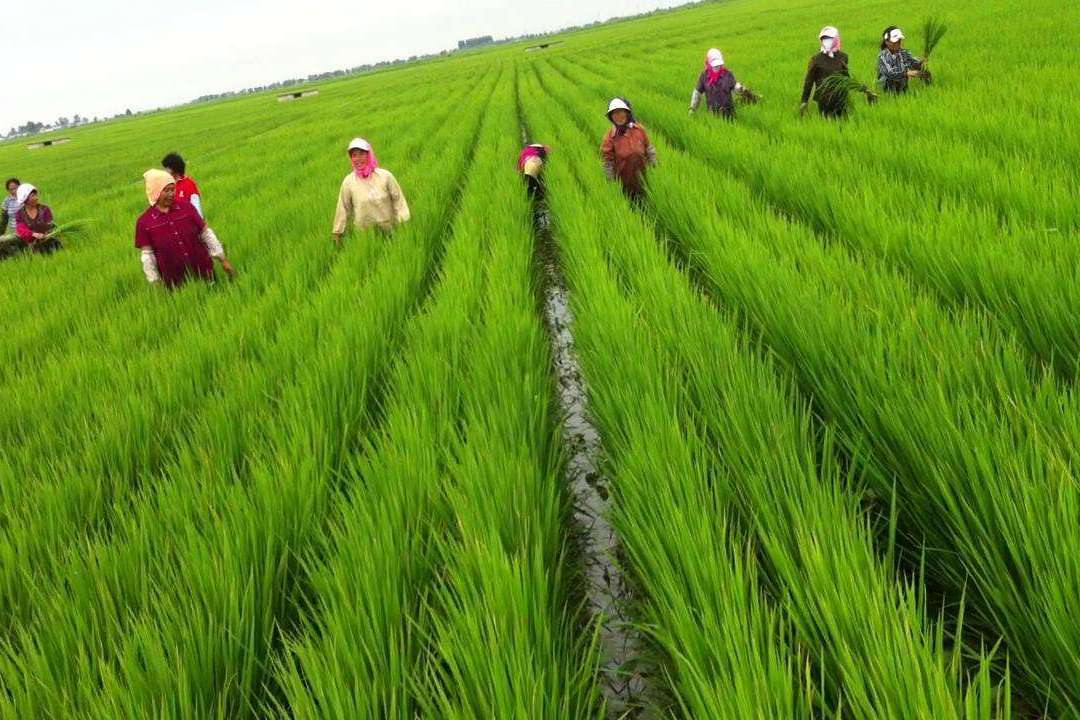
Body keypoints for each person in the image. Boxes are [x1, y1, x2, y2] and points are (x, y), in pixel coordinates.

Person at [136, 169, 235, 287]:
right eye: (166, 191)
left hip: (204, 272)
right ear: (155, 192)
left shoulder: (187, 208)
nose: (171, 194)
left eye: (173, 190)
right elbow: (148, 256)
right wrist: (155, 281)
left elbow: (206, 234)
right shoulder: (145, 222)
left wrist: (222, 259)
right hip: (175, 282)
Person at [332, 137, 410, 245]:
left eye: (361, 154)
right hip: (365, 237)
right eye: (354, 155)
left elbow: (398, 200)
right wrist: (337, 232)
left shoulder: (385, 176)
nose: (358, 159)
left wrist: (404, 223)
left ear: (369, 155)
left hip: (389, 232)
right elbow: (343, 208)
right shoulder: (348, 182)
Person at [600, 98, 657, 200]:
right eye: (615, 114)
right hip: (624, 184)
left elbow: (649, 149)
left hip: (643, 180)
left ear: (627, 113)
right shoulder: (609, 138)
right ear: (611, 117)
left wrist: (654, 165)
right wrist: (611, 183)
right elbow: (608, 162)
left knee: (646, 203)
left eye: (621, 112)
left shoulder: (639, 130)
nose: (618, 116)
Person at [800, 26, 852, 118]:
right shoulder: (816, 59)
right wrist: (804, 101)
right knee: (828, 125)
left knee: (844, 124)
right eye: (824, 39)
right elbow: (809, 81)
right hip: (824, 99)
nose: (826, 42)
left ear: (836, 39)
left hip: (840, 98)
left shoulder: (843, 57)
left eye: (829, 39)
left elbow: (846, 77)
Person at [690, 49, 759, 118]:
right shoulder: (704, 76)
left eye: (719, 65)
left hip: (729, 113)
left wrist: (741, 89)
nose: (718, 67)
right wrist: (692, 109)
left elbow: (734, 86)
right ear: (708, 63)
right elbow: (697, 93)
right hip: (713, 114)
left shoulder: (727, 74)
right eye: (715, 65)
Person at [11, 184, 62, 256]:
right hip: (31, 246)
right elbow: (20, 229)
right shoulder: (19, 214)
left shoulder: (45, 209)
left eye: (36, 195)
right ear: (25, 199)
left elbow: (50, 224)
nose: (36, 198)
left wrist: (47, 234)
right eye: (32, 196)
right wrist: (33, 234)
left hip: (48, 241)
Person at [877, 27, 929, 93]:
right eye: (895, 42)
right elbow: (890, 74)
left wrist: (921, 62)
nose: (897, 44)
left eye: (899, 41)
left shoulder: (903, 53)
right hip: (887, 90)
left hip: (902, 88)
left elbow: (914, 64)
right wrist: (907, 73)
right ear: (886, 42)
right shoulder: (883, 56)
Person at [162, 152, 204, 217]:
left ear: (174, 168)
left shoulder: (189, 184)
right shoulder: (165, 184)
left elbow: (196, 207)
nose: (164, 170)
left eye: (167, 168)